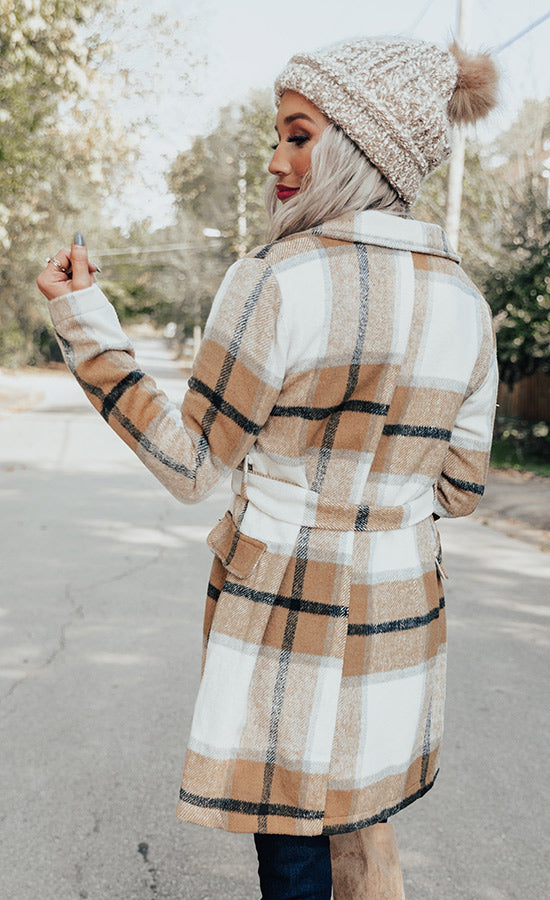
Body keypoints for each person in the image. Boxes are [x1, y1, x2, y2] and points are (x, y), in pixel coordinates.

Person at [37, 35, 499, 900]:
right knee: (362, 829)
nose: (278, 160)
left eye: (299, 135)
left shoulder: (274, 281)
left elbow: (191, 465)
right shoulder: (467, 302)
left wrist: (86, 325)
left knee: (291, 854)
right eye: (278, 136)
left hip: (284, 604)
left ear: (362, 146)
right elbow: (462, 489)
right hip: (400, 611)